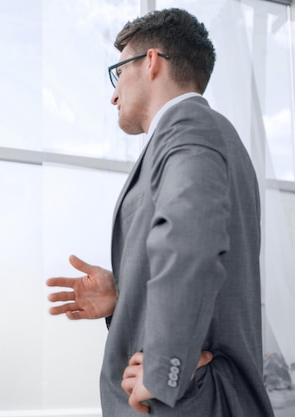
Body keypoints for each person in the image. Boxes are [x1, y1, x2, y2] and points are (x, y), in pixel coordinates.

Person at [47, 8, 274, 417]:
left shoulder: (189, 126)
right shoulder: (203, 132)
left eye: (118, 74)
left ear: (150, 61)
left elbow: (192, 239)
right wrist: (123, 294)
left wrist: (166, 365)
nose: (113, 94)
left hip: (191, 400)